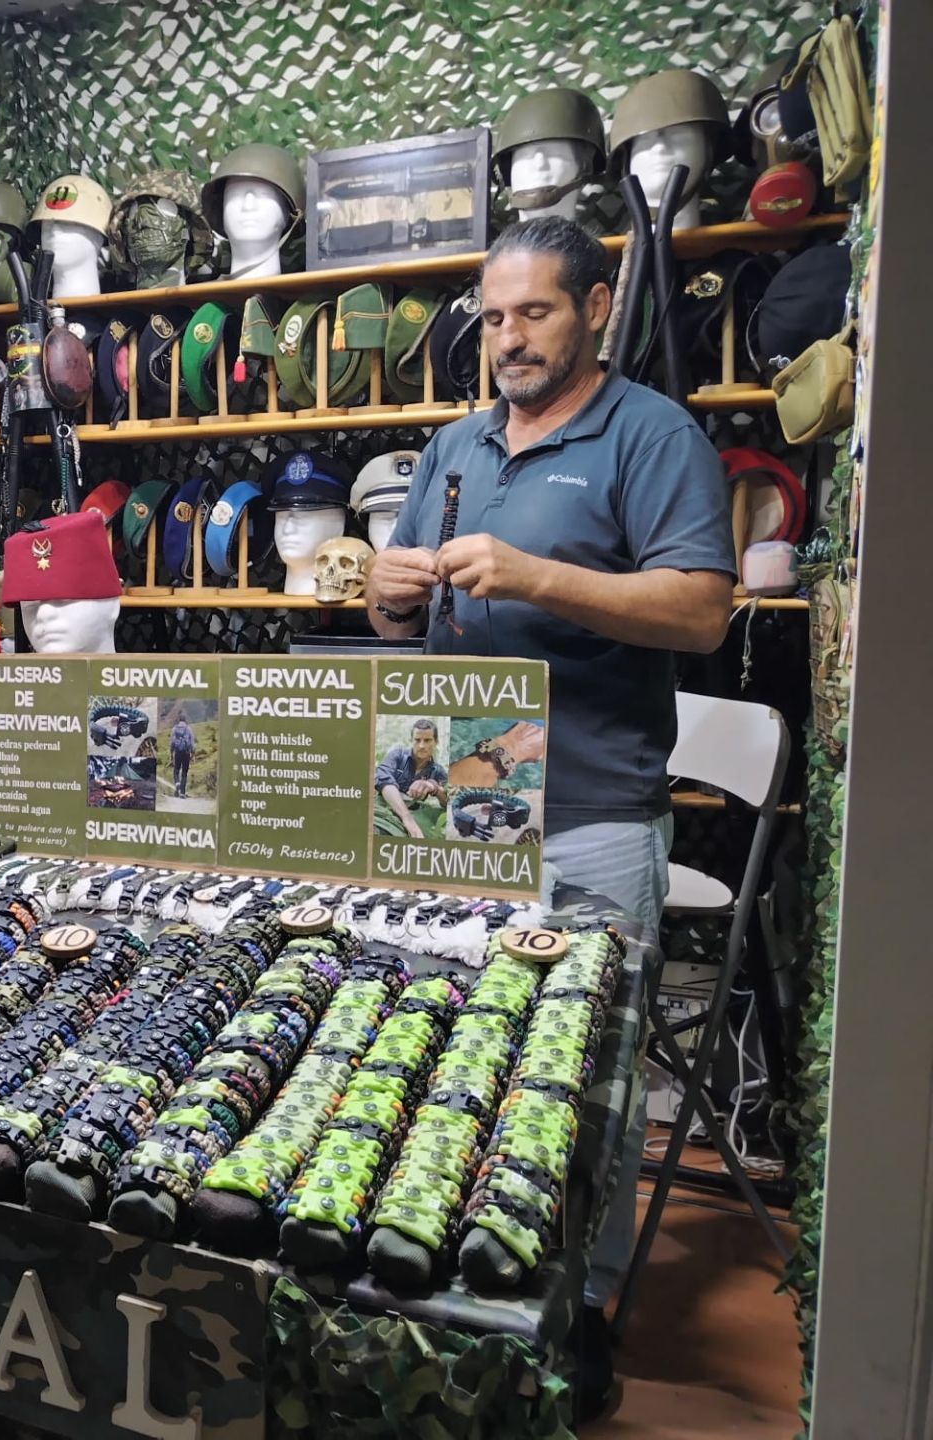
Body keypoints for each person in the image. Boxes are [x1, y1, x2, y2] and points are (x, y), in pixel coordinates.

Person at [365, 215, 735, 1414]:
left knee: (590, 1071)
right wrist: (382, 590)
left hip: (587, 806)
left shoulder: (650, 433)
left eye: (537, 313)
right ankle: (449, 1267)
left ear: (592, 308)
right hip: (446, 802)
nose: (509, 339)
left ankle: (576, 1308)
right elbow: (406, 619)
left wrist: (535, 576)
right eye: (496, 316)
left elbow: (698, 613)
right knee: (442, 1042)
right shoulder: (454, 445)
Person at [374, 719, 448, 838]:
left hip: (416, 814)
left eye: (427, 740)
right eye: (417, 740)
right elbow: (383, 779)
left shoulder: (437, 771)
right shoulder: (398, 755)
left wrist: (433, 787)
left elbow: (449, 801)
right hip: (384, 808)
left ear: (436, 742)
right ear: (411, 740)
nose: (422, 746)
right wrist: (407, 818)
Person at [169, 716, 196, 797]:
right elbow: (192, 743)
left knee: (176, 770)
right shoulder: (189, 729)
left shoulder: (174, 729)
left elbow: (172, 742)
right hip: (186, 753)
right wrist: (193, 753)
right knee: (184, 772)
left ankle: (177, 783)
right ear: (185, 720)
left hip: (177, 752)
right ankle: (182, 793)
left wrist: (171, 753)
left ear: (179, 720)